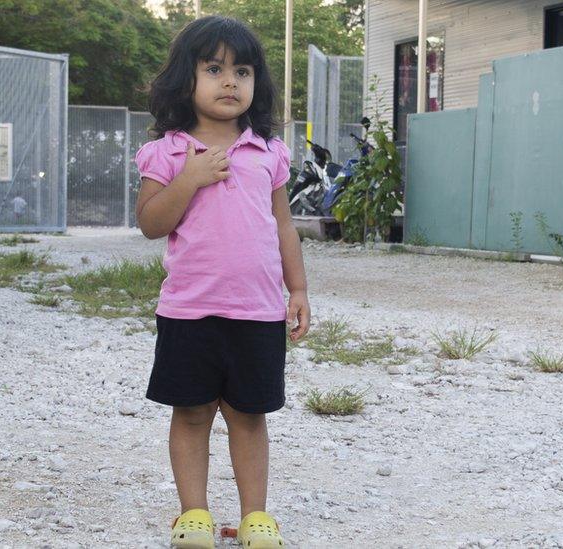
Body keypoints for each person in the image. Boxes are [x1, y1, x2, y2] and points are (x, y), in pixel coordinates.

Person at [134, 16, 310, 549]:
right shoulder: (166, 152)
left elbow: (283, 226)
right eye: (214, 69)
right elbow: (150, 223)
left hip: (256, 311)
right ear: (185, 80)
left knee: (249, 416)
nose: (230, 81)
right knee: (190, 414)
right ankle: (195, 516)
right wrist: (189, 178)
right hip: (189, 311)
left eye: (243, 71)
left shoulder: (268, 152)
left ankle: (256, 517)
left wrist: (297, 290)